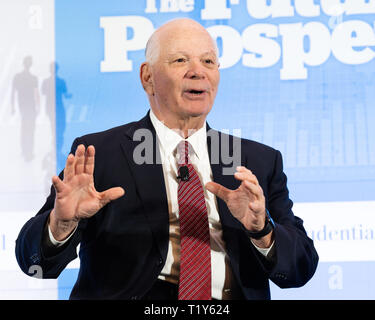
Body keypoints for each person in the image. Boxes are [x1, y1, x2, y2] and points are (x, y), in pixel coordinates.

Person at [15, 18, 318, 300]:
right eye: (180, 60)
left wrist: (262, 230)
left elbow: (300, 269)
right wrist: (62, 222)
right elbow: (35, 264)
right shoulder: (99, 154)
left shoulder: (257, 160)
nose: (198, 71)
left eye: (209, 61)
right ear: (148, 77)